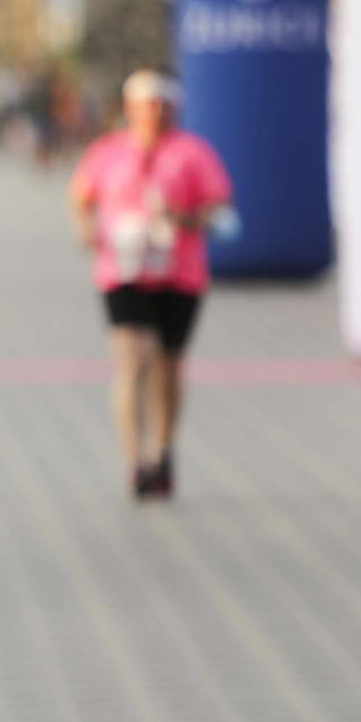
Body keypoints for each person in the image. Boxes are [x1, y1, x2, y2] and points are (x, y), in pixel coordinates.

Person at [68, 69, 231, 500]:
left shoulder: (194, 153)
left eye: (162, 104)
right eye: (145, 104)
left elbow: (221, 212)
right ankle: (136, 459)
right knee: (134, 359)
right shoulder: (107, 151)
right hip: (122, 271)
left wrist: (183, 218)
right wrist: (86, 229)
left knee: (168, 366)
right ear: (129, 108)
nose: (154, 113)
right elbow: (81, 198)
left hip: (180, 272)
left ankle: (163, 449)